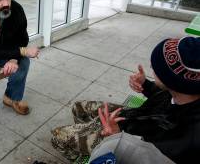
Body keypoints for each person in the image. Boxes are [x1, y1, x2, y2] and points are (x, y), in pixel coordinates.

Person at [51, 36, 200, 163]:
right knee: (78, 107)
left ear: (172, 82)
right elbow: (166, 94)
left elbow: (142, 156)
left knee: (57, 137)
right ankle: (89, 137)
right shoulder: (185, 92)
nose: (151, 69)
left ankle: (88, 152)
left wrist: (116, 138)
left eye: (156, 68)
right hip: (131, 119)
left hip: (127, 141)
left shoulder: (186, 139)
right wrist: (145, 84)